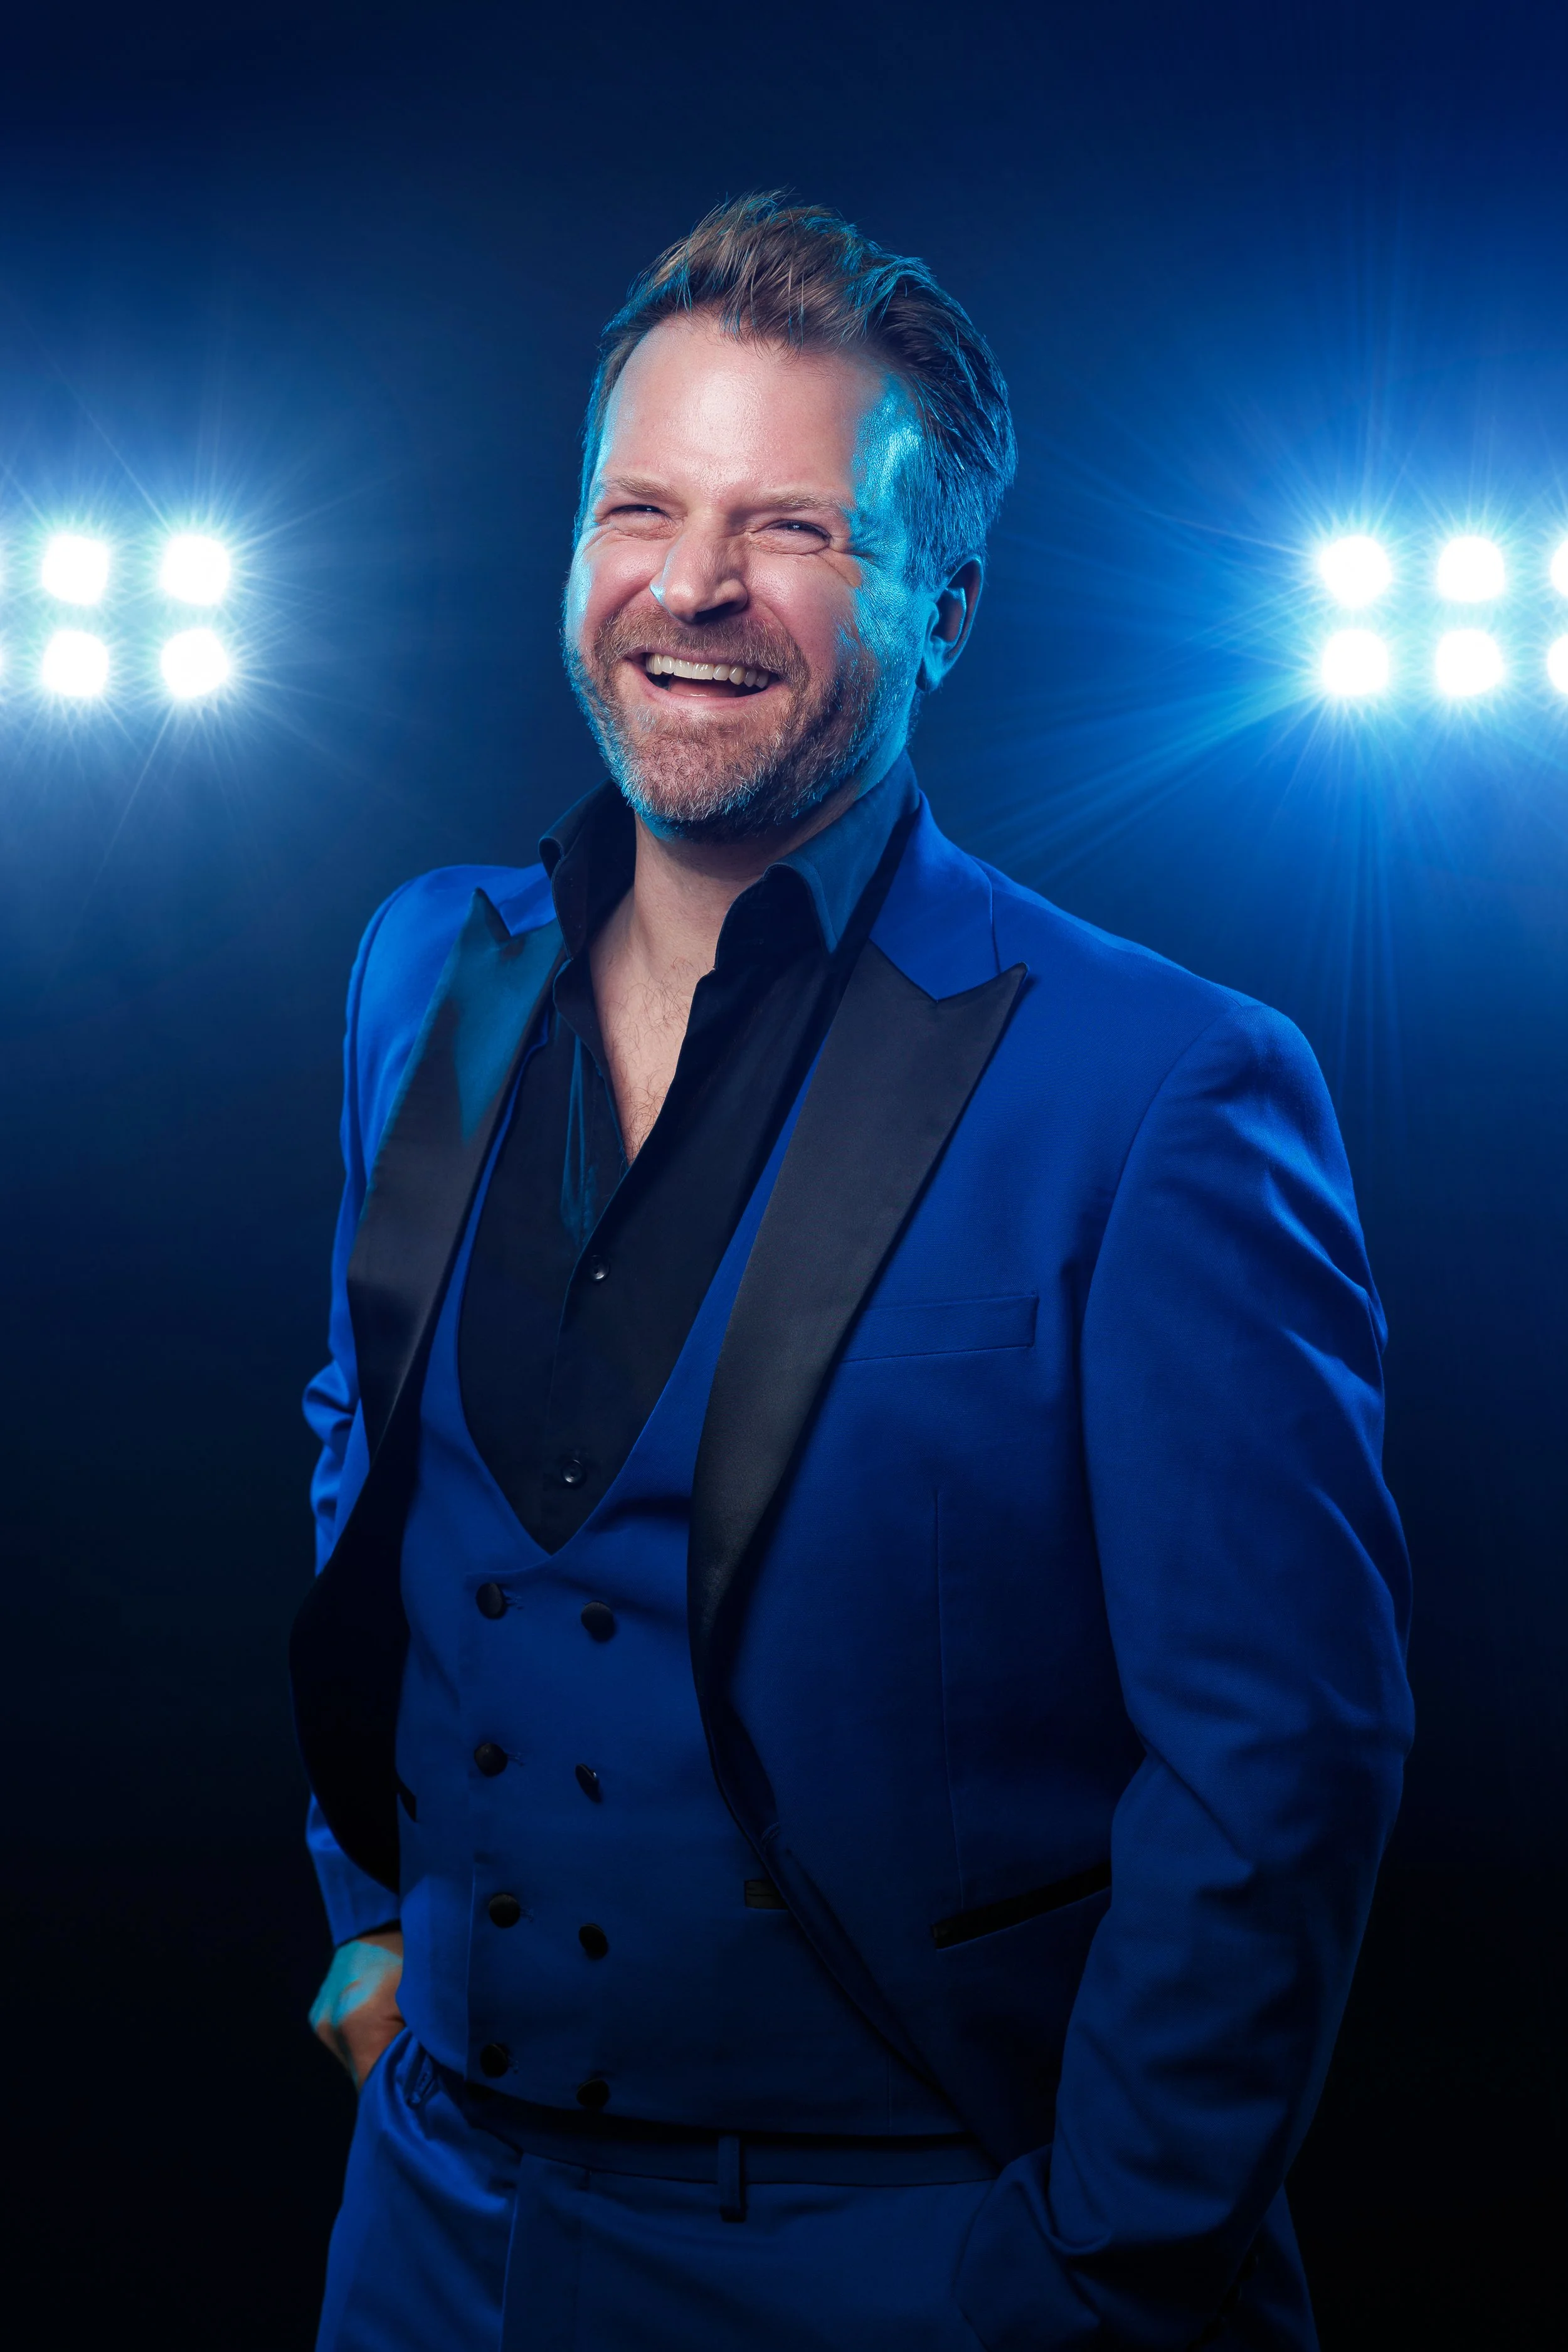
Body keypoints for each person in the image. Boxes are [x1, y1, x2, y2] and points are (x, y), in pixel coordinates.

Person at [291, 192, 1412, 2352]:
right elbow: (359, 1436)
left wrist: (1091, 2260)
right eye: (644, 505)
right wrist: (360, 1930)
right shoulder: (424, 966)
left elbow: (1282, 1750)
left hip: (907, 2255)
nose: (690, 585)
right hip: (433, 2228)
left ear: (943, 597)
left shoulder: (1168, 1084)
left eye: (788, 525)